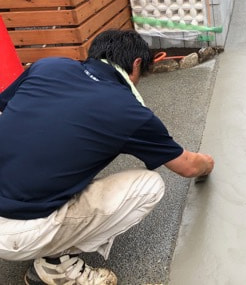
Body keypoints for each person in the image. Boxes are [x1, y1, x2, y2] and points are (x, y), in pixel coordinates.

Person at [0, 29, 214, 285]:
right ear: (136, 64)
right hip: (14, 235)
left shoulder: (49, 66)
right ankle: (55, 265)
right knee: (150, 186)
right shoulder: (127, 110)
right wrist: (208, 164)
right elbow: (188, 166)